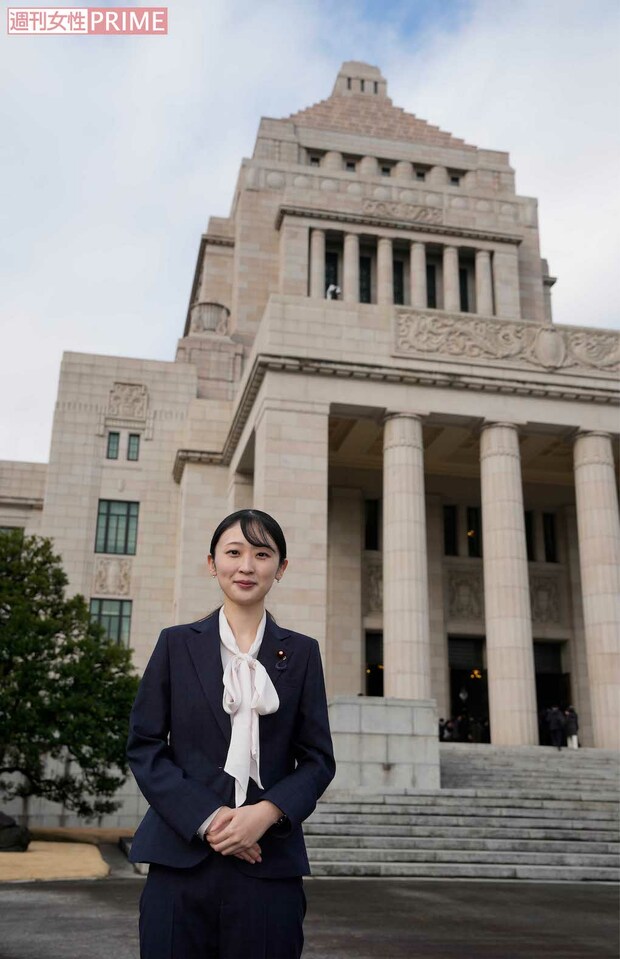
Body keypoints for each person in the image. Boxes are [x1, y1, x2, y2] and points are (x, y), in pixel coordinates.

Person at [127, 508, 336, 959]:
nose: (246, 566)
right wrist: (210, 819)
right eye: (234, 552)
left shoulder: (302, 653)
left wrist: (265, 814)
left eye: (262, 554)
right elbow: (144, 746)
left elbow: (318, 759)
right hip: (179, 861)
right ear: (211, 563)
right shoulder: (175, 644)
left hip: (269, 866)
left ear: (280, 568)